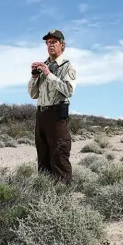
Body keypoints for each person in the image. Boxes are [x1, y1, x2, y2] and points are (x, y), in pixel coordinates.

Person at [28, 29, 77, 184]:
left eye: (54, 42)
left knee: (59, 156)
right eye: (48, 42)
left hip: (56, 116)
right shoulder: (44, 66)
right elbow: (33, 94)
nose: (50, 45)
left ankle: (63, 196)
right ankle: (44, 195)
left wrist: (49, 74)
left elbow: (68, 90)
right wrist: (34, 76)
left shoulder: (67, 67)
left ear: (62, 45)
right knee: (43, 157)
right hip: (41, 115)